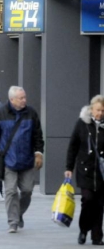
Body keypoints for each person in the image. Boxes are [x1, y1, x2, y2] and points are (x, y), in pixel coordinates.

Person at [0, 86, 44, 233]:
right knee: (11, 191)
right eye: (21, 98)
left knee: (27, 191)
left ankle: (19, 213)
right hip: (8, 160)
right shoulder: (0, 114)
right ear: (12, 100)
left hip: (27, 160)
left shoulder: (31, 113)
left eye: (25, 97)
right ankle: (13, 222)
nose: (25, 100)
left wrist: (38, 153)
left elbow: (38, 135)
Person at [65, 95, 104, 245]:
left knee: (99, 204)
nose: (99, 113)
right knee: (88, 200)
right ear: (91, 109)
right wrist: (69, 167)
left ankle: (97, 237)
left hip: (101, 172)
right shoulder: (82, 124)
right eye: (97, 110)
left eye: (102, 110)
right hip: (85, 170)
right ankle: (83, 229)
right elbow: (73, 146)